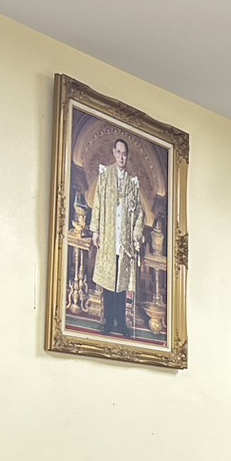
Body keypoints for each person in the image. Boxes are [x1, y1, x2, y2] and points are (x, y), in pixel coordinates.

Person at [91, 137, 146, 338]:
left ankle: (121, 323)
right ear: (114, 152)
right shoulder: (105, 175)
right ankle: (108, 322)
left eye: (125, 154)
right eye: (119, 152)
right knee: (108, 282)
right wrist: (96, 230)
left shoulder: (133, 183)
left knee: (121, 284)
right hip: (108, 236)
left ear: (127, 156)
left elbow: (139, 212)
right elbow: (97, 203)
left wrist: (136, 236)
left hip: (124, 242)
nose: (122, 157)